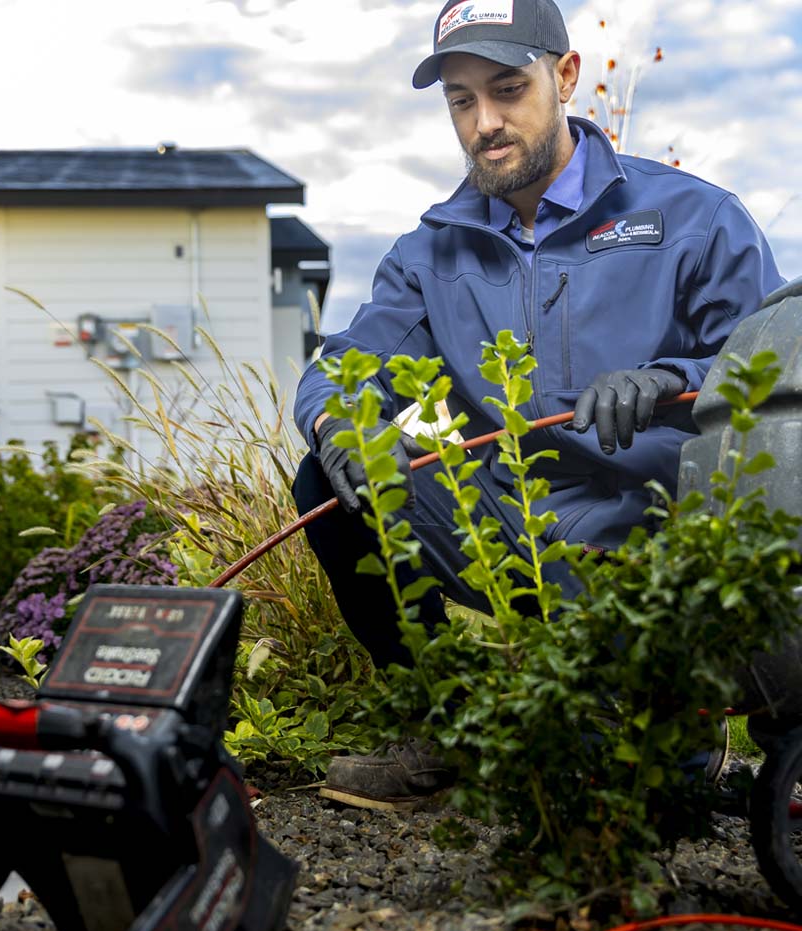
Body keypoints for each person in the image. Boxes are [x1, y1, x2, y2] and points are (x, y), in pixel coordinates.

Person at [292, 0, 784, 811]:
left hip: (650, 536)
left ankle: (677, 730)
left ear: (564, 77)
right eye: (461, 99)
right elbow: (346, 366)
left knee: (630, 792)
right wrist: (339, 420)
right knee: (328, 482)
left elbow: (770, 381)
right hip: (507, 522)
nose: (485, 121)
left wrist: (674, 378)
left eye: (508, 88)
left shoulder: (697, 220)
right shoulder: (429, 252)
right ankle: (446, 731)